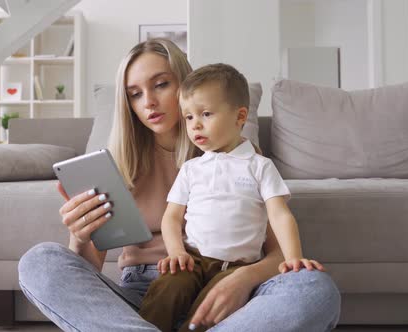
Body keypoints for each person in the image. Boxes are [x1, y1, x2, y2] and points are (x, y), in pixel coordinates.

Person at [18, 38, 341, 332]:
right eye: (134, 94)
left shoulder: (238, 155)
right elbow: (88, 272)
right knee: (41, 261)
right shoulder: (116, 163)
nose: (149, 102)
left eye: (160, 85)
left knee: (313, 288)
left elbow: (277, 252)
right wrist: (80, 236)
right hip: (144, 300)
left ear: (186, 87)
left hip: (227, 289)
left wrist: (242, 279)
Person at [138, 63, 326, 332]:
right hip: (192, 259)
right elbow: (171, 218)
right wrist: (176, 252)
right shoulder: (192, 168)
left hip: (235, 269)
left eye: (205, 114)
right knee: (165, 290)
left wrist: (293, 257)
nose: (195, 125)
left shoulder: (259, 166)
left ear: (240, 117)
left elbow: (280, 214)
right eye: (188, 117)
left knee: (207, 312)